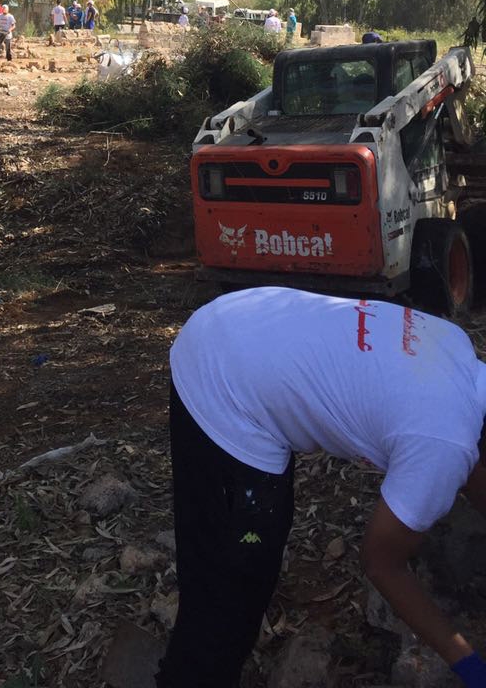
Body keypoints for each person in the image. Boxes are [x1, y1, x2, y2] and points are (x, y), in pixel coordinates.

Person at [158, 287, 486, 688]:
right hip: (222, 382)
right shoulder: (443, 442)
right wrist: (469, 665)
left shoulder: (458, 350)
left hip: (239, 323)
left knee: (255, 549)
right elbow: (382, 564)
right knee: (231, 585)